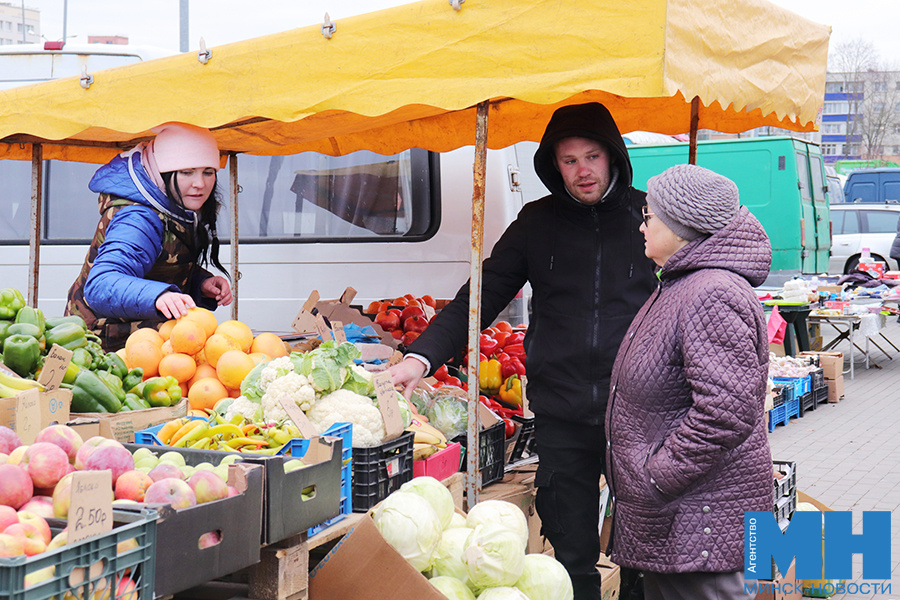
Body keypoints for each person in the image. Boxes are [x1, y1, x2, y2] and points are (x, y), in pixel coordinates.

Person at [390, 102, 658, 600]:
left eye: (593, 156)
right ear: (554, 165)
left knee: (645, 545)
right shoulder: (537, 222)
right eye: (570, 160)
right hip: (562, 411)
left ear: (614, 157)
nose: (583, 171)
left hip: (638, 414)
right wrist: (420, 357)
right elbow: (481, 298)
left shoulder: (647, 217)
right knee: (570, 543)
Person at [605, 164, 773, 600]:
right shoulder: (682, 284)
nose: (641, 226)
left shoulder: (710, 292)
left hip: (701, 525)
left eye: (649, 216)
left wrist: (657, 476)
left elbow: (724, 415)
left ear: (682, 227)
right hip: (682, 521)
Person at [66, 122, 232, 350]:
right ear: (161, 172)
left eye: (208, 172)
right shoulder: (138, 218)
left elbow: (155, 264)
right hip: (100, 347)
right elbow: (101, 285)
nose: (199, 184)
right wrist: (159, 296)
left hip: (142, 341)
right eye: (186, 172)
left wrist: (199, 282)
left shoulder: (175, 207)